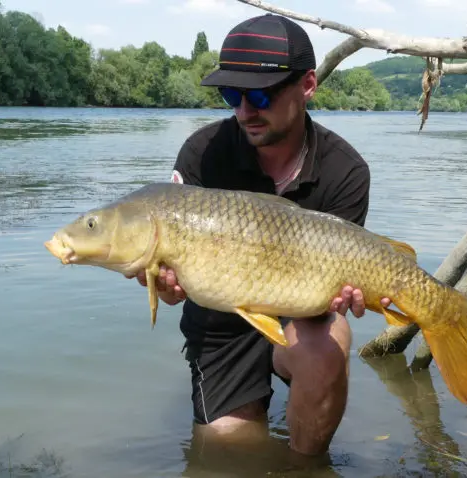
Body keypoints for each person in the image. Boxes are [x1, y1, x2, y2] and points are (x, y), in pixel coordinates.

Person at [130, 13, 390, 457]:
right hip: (219, 324)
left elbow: (336, 297)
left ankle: (306, 466)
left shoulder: (345, 170)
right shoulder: (202, 154)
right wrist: (166, 286)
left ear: (308, 84)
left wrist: (351, 296)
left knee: (325, 350)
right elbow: (174, 286)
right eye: (232, 94)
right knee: (228, 454)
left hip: (301, 317)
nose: (245, 111)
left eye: (260, 95)